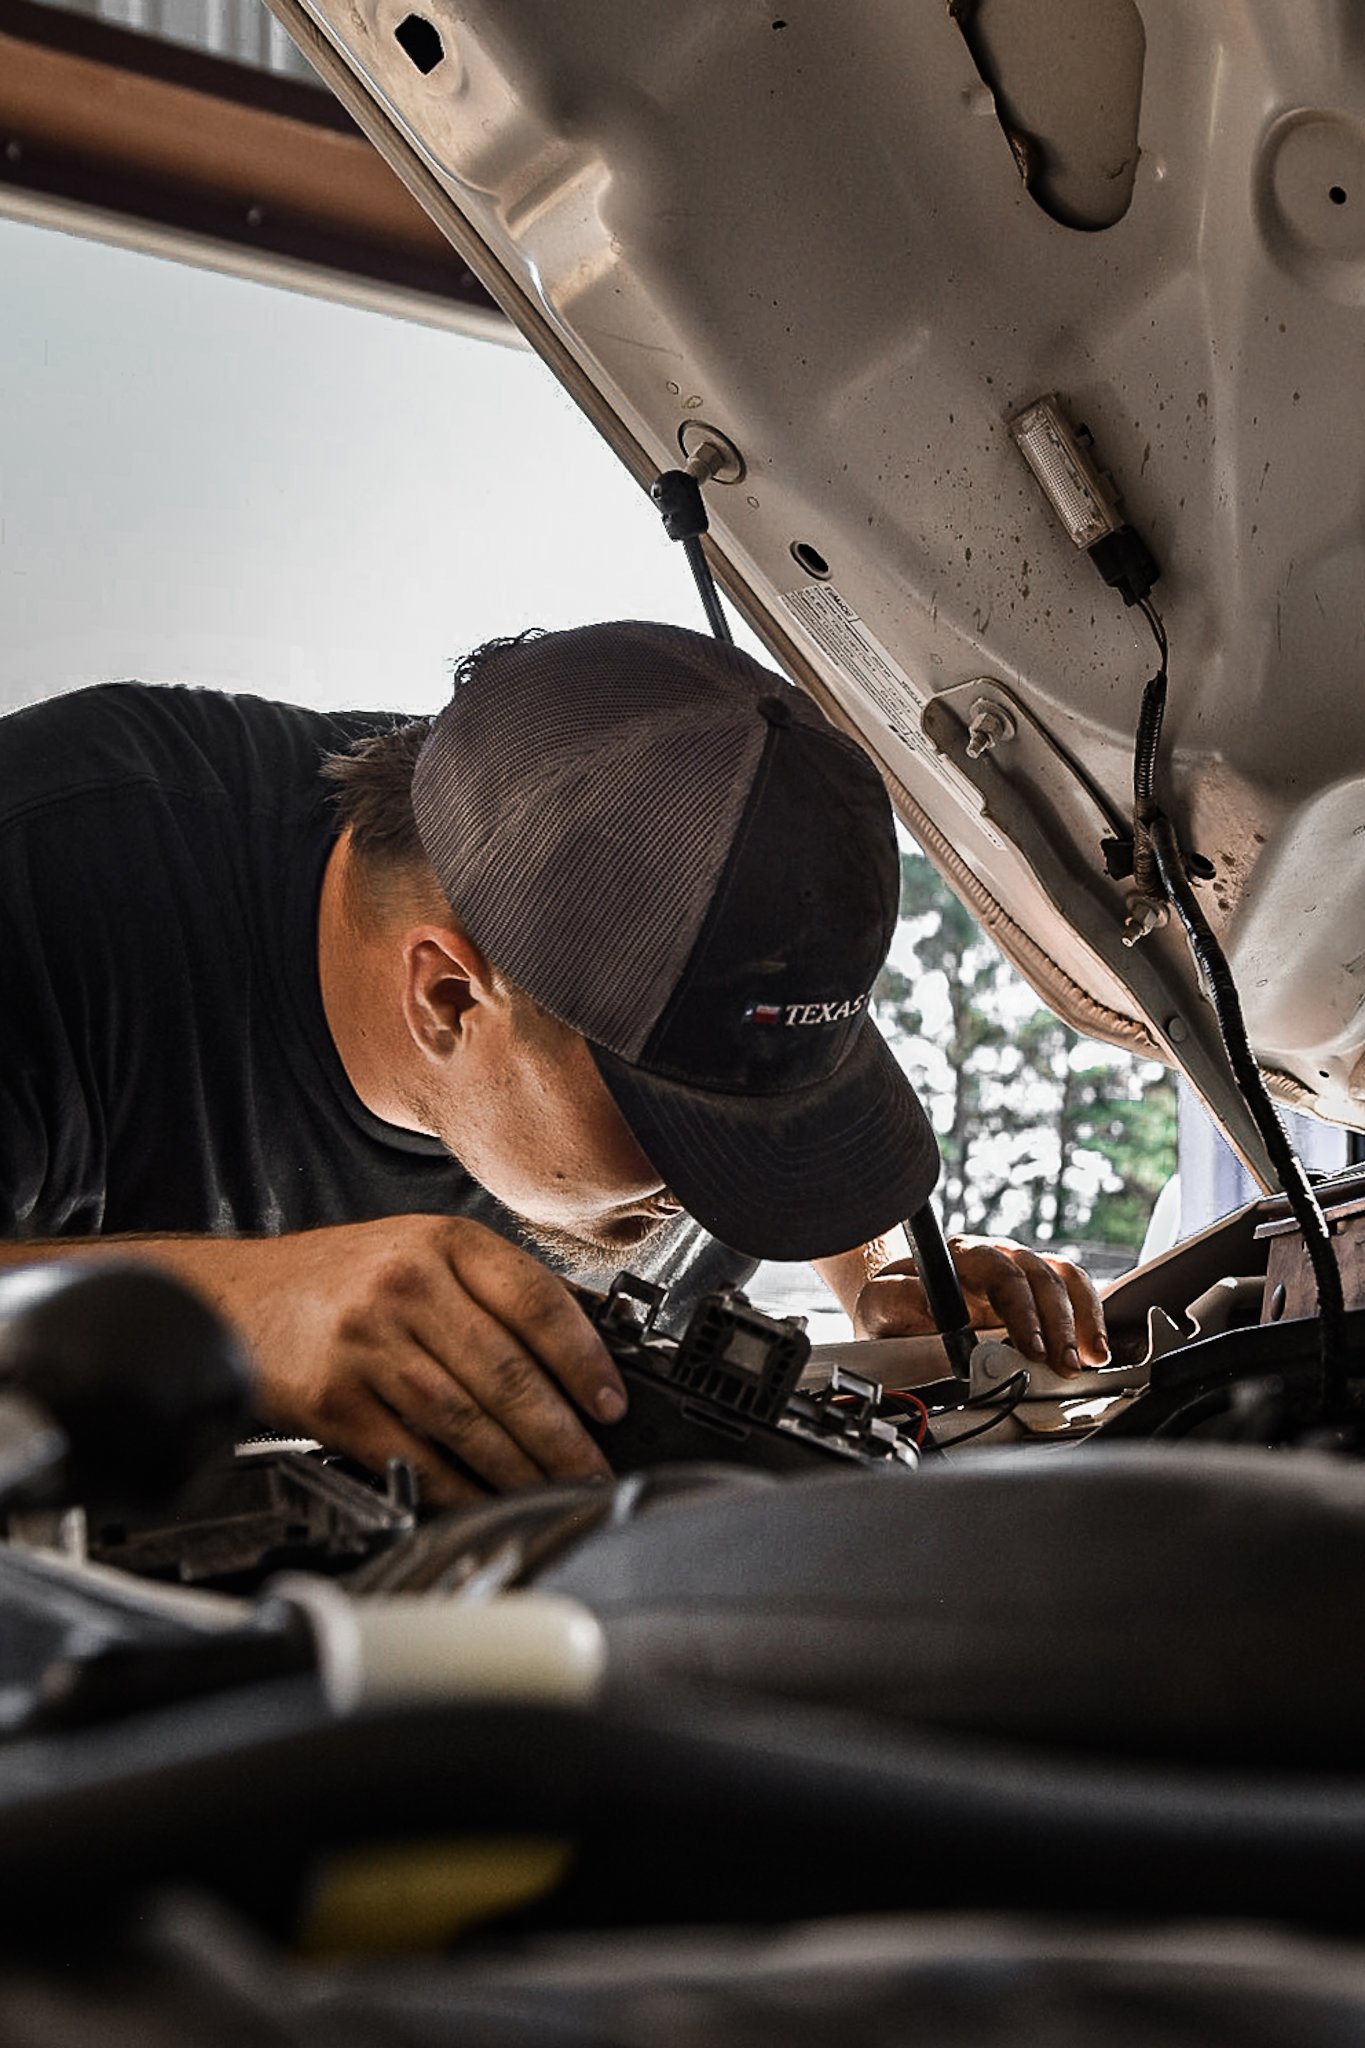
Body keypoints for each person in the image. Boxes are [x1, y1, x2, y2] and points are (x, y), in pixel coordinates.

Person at [0, 621, 1106, 1503]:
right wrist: (252, 1308)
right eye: (681, 1123)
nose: (720, 1193)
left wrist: (873, 1276)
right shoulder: (53, 875)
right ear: (447, 994)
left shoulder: (636, 874)